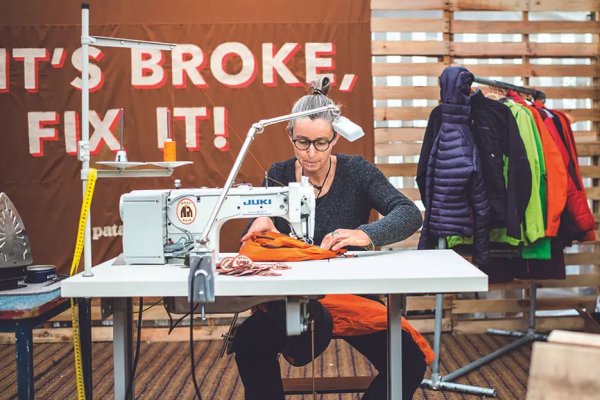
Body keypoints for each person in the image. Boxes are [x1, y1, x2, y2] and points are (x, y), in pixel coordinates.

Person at [232, 77, 427, 400]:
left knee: (409, 361)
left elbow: (409, 213)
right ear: (290, 135)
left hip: (350, 295)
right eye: (302, 142)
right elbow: (253, 239)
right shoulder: (278, 174)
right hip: (290, 299)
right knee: (249, 344)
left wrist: (366, 234)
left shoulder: (357, 172)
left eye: (321, 142)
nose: (311, 153)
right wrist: (261, 220)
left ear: (335, 137)